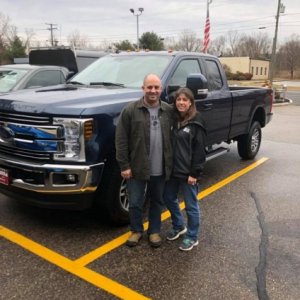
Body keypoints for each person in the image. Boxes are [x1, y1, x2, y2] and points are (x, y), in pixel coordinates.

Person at [115, 73, 173, 248]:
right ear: (143, 89)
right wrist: (124, 165)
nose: (153, 91)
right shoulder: (130, 110)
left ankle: (154, 231)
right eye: (149, 87)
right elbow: (121, 139)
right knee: (135, 201)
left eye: (156, 87)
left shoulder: (169, 111)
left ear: (161, 89)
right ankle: (136, 231)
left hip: (161, 166)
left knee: (157, 201)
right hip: (137, 166)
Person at [164, 87, 206, 251]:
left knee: (190, 206)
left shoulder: (197, 121)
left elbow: (200, 150)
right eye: (178, 100)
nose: (181, 102)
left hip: (188, 173)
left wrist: (194, 173)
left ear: (190, 103)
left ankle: (192, 236)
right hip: (173, 170)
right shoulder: (173, 120)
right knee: (168, 197)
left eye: (185, 100)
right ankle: (178, 226)